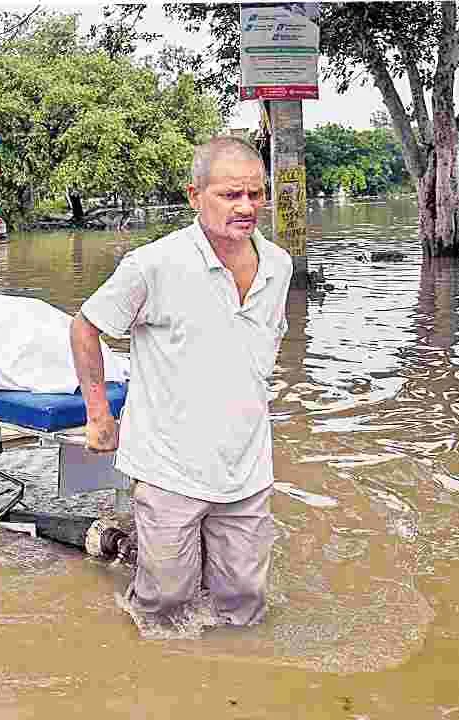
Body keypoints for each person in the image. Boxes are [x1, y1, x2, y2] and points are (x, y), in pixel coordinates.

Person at [69, 136, 292, 628]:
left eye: (255, 195)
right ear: (195, 196)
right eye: (230, 195)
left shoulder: (279, 265)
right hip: (170, 464)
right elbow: (85, 327)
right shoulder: (154, 265)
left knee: (245, 602)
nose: (246, 207)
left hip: (246, 465)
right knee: (165, 601)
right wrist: (99, 415)